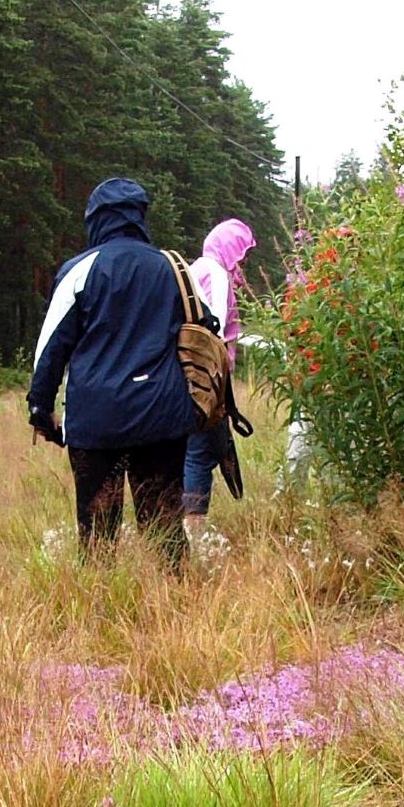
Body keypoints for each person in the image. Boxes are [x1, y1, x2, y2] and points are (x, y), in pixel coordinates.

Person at [29, 177, 202, 568]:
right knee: (165, 527)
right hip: (162, 416)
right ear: (139, 217)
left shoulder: (79, 271)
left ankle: (100, 611)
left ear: (96, 219)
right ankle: (182, 608)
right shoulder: (174, 269)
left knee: (96, 533)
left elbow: (51, 348)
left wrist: (40, 407)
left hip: (97, 419)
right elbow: (205, 333)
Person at [181, 217, 257, 562]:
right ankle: (192, 534)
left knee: (202, 449)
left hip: (183, 377)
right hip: (206, 381)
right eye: (241, 254)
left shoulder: (193, 270)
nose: (242, 263)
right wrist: (217, 388)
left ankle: (183, 528)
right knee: (201, 452)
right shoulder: (217, 275)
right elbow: (211, 330)